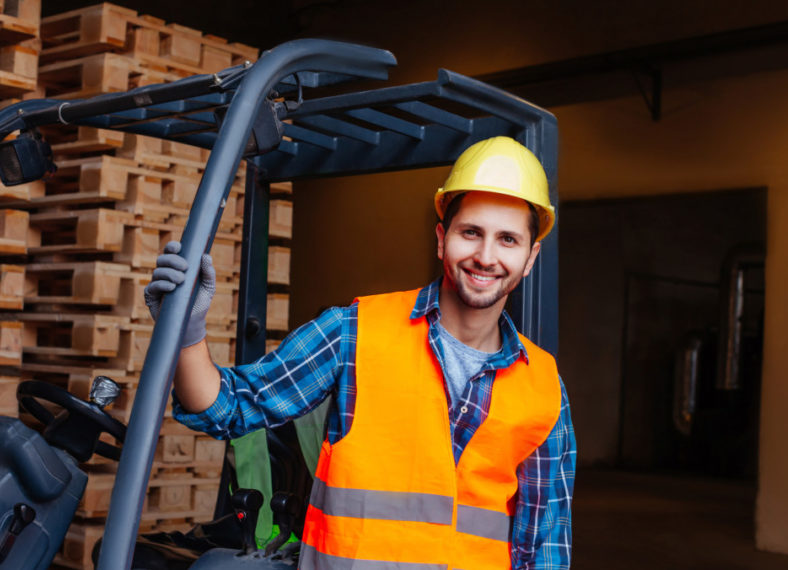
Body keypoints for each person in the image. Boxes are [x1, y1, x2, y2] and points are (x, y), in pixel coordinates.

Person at [145, 136, 576, 569]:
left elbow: (544, 547)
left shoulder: (543, 386)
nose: (486, 256)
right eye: (471, 233)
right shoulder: (354, 332)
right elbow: (229, 407)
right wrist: (186, 333)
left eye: (507, 240)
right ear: (442, 239)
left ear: (530, 256)